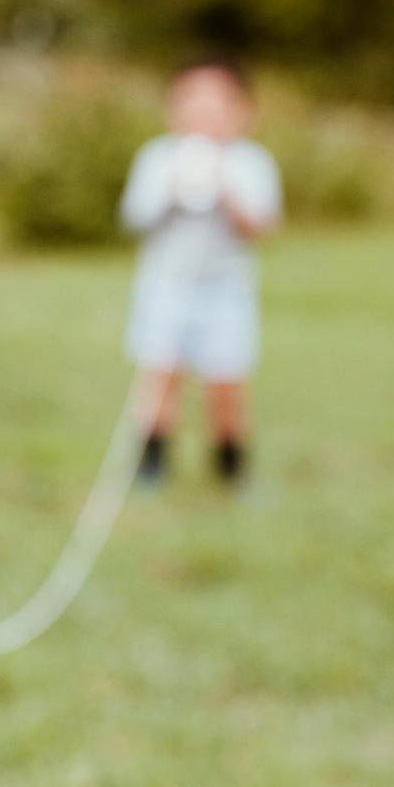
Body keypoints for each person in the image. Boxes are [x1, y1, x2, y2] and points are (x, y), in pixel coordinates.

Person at [119, 59, 283, 487]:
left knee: (226, 379)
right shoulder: (158, 156)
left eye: (216, 102)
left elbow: (261, 228)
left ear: (240, 111)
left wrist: (224, 186)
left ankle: (231, 464)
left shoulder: (251, 162)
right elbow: (135, 218)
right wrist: (175, 185)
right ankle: (151, 462)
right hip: (165, 286)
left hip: (225, 291)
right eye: (193, 100)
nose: (204, 112)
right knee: (160, 373)